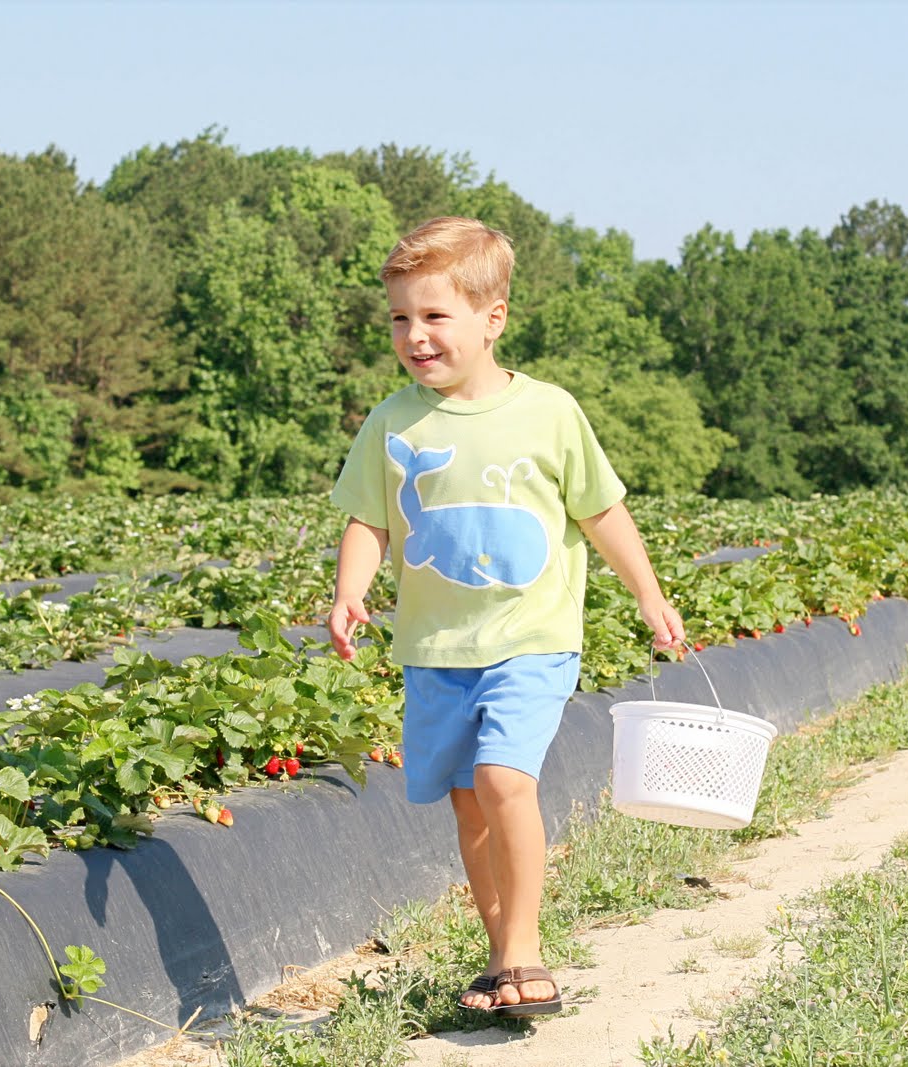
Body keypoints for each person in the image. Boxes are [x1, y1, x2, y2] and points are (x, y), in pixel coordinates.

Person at [327, 216, 684, 1016]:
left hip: (531, 638)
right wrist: (351, 589)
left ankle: (527, 949)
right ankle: (500, 956)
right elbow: (369, 519)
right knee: (470, 804)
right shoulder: (393, 423)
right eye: (400, 318)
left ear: (493, 319)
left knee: (502, 779)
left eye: (434, 315)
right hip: (436, 648)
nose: (415, 335)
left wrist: (649, 592)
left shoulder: (549, 412)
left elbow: (602, 510)